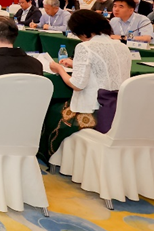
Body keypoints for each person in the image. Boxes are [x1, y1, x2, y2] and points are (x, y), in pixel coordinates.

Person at [43, 10, 131, 159]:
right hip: (120, 107)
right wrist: (75, 64)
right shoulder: (122, 46)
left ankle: (50, 159)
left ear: (81, 31)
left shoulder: (85, 47)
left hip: (95, 110)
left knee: (52, 111)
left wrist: (59, 69)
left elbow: (77, 84)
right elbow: (107, 67)